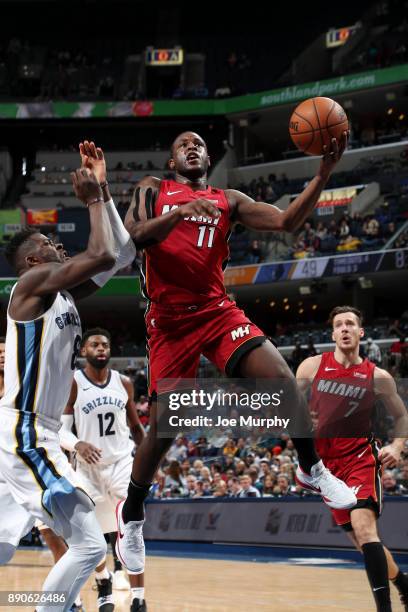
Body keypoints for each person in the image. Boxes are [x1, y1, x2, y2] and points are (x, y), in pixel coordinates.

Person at [115, 130, 358, 576]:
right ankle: (131, 513)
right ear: (172, 161)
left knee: (283, 382)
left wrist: (323, 174)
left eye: (199, 144)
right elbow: (133, 237)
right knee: (168, 426)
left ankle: (311, 469)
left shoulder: (229, 199)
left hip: (215, 310)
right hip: (168, 321)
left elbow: (286, 222)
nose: (192, 147)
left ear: (208, 158)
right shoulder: (154, 189)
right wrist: (183, 210)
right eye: (183, 144)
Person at [0, 141, 136, 612]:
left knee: (80, 547)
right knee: (89, 546)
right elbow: (99, 254)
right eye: (47, 245)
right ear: (34, 263)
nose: (58, 245)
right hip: (25, 428)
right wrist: (92, 198)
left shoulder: (63, 295)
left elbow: (119, 256)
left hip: (39, 432)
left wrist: (105, 189)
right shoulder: (30, 286)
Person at [296, 305, 408, 612]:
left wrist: (398, 447)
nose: (344, 328)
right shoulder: (311, 367)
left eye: (350, 324)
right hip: (326, 470)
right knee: (363, 542)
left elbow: (401, 415)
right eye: (339, 325)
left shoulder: (378, 376)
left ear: (360, 332)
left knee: (364, 529)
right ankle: (404, 584)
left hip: (360, 459)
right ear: (332, 334)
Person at [60, 328, 146, 612]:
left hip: (121, 462)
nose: (101, 348)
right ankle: (103, 579)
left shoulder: (124, 383)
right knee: (90, 535)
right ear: (83, 351)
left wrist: (149, 460)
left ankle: (139, 596)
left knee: (131, 527)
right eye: (94, 344)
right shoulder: (72, 382)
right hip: (87, 468)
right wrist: (77, 444)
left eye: (105, 345)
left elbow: (135, 427)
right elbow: (60, 428)